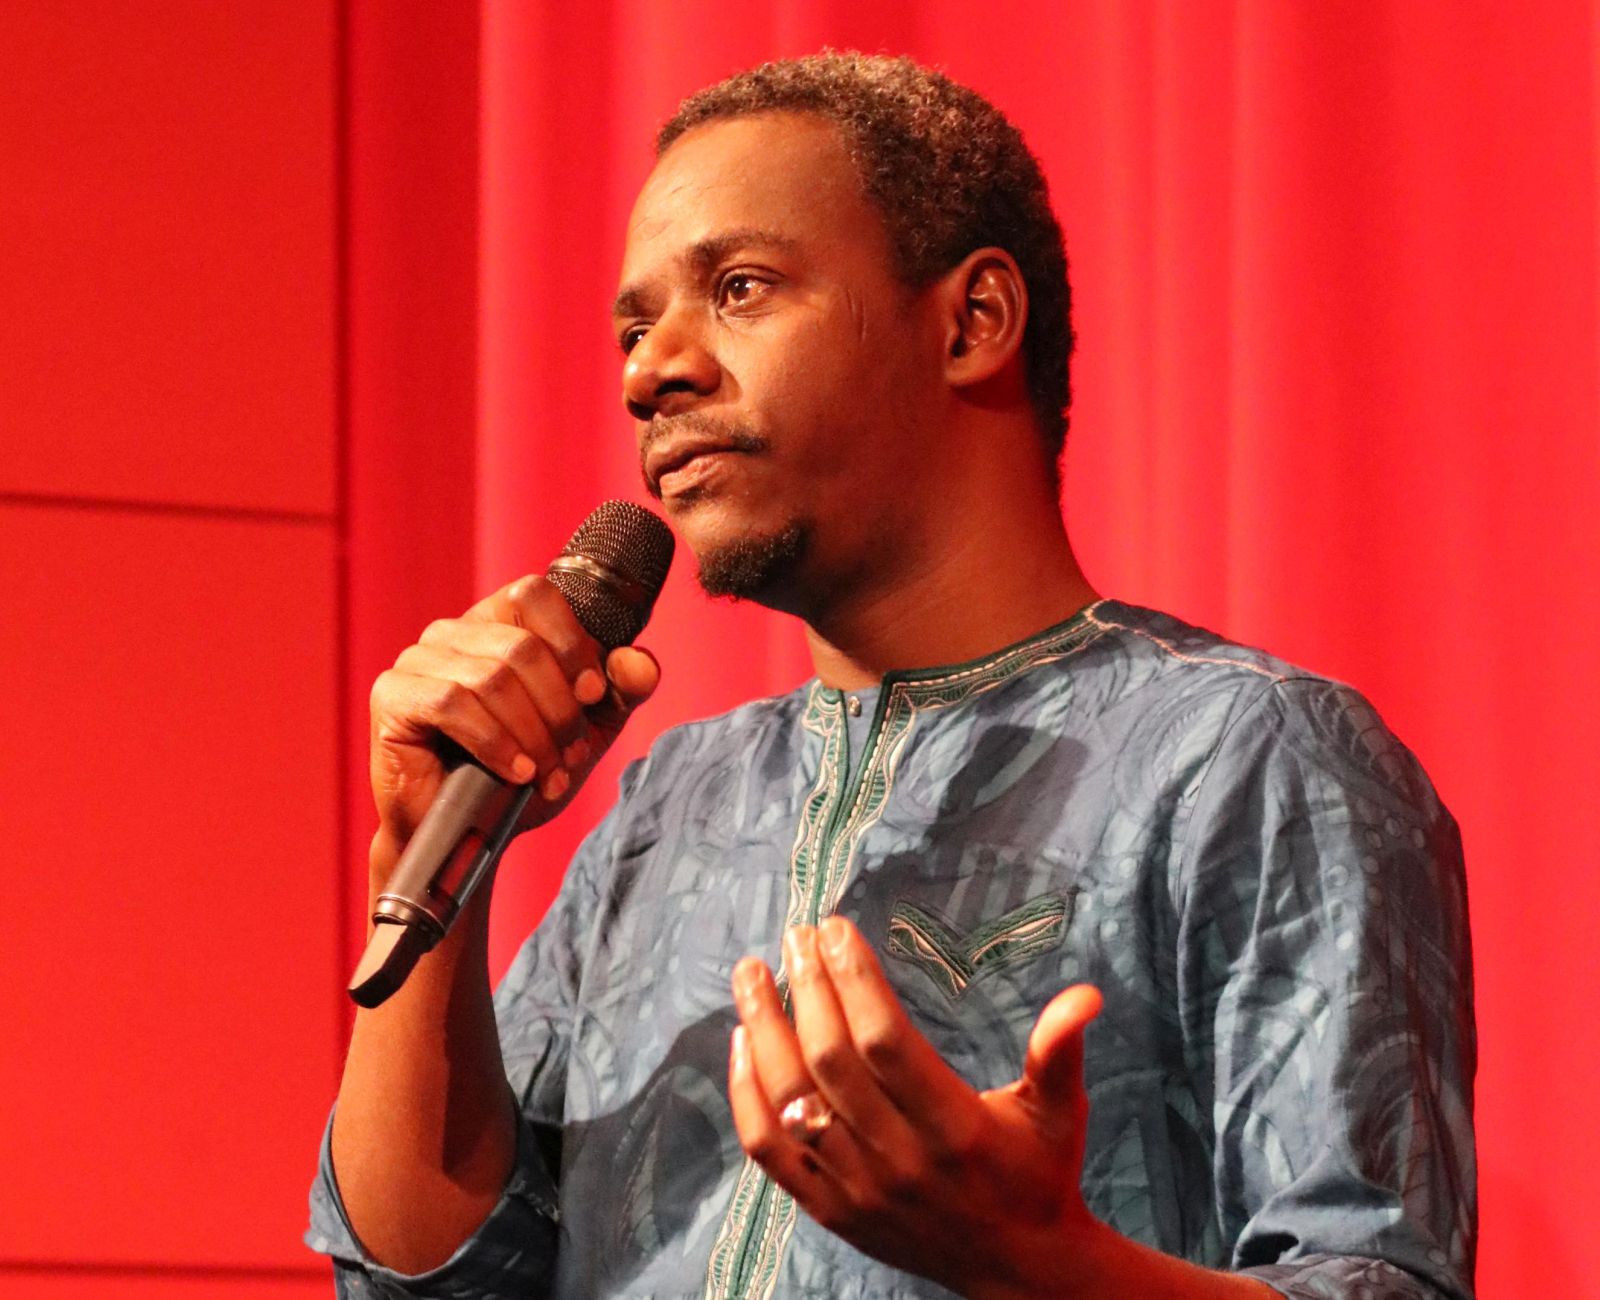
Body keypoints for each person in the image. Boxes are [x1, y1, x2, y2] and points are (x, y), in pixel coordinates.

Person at [307, 53, 1476, 1300]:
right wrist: (427, 867)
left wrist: (1046, 1264)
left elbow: (1376, 1280)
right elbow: (419, 1283)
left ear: (970, 322)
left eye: (739, 288)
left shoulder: (1247, 755)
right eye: (636, 329)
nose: (652, 370)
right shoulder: (670, 808)